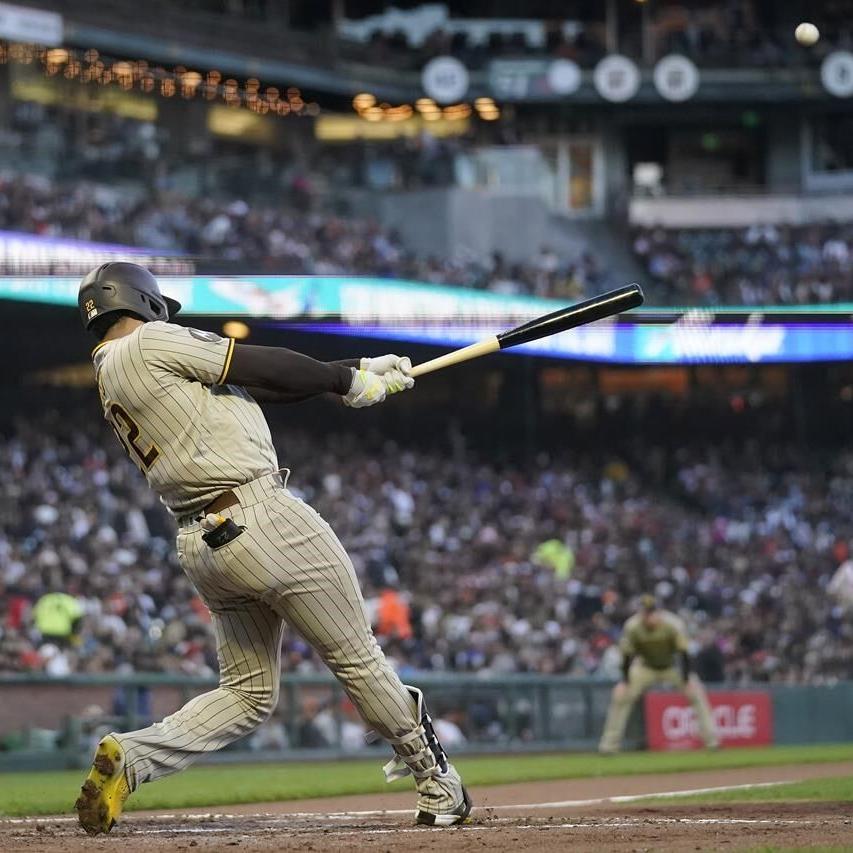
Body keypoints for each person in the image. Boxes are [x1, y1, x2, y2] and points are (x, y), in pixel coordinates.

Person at [73, 262, 471, 834]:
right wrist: (345, 383)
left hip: (202, 542)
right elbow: (256, 362)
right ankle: (438, 784)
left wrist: (352, 370)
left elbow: (251, 386)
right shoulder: (152, 339)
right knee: (358, 659)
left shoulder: (111, 369)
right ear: (142, 299)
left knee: (247, 694)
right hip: (262, 515)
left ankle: (132, 757)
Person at [598, 594, 719, 754]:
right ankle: (608, 746)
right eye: (645, 612)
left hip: (671, 666)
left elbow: (684, 654)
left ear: (659, 611)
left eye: (651, 611)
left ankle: (712, 742)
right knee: (621, 696)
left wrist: (686, 679)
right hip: (645, 666)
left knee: (696, 692)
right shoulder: (633, 626)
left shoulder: (673, 623)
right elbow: (627, 655)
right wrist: (625, 681)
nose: (649, 616)